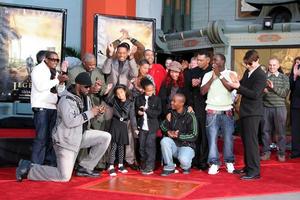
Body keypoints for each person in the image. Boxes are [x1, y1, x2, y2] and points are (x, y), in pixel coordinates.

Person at [16, 72, 111, 182]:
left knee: (106, 137)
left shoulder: (86, 98)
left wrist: (97, 113)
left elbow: (85, 119)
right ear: (78, 85)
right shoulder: (66, 100)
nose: (88, 89)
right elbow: (70, 122)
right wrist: (90, 113)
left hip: (80, 136)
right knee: (64, 177)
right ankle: (29, 169)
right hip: (66, 141)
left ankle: (85, 167)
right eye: (86, 87)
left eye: (90, 87)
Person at [228, 49, 267, 180]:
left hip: (253, 112)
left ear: (257, 60)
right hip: (245, 111)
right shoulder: (248, 72)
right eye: (246, 64)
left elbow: (255, 94)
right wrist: (236, 82)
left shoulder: (261, 75)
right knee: (246, 141)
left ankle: (255, 171)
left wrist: (238, 86)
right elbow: (242, 85)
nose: (248, 66)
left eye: (250, 63)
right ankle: (248, 167)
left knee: (252, 142)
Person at [102, 42, 139, 170]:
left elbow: (135, 73)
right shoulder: (112, 61)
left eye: (124, 53)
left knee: (127, 130)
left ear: (128, 53)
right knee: (108, 129)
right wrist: (109, 55)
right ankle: (108, 160)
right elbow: (105, 70)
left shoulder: (130, 62)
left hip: (125, 99)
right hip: (111, 99)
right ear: (117, 52)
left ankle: (129, 159)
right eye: (119, 52)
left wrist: (132, 57)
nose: (121, 55)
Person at [30, 51, 68, 166]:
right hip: (42, 107)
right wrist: (57, 80)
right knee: (41, 138)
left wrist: (61, 82)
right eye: (52, 59)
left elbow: (60, 91)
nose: (55, 62)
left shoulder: (55, 72)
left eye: (57, 60)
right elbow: (41, 87)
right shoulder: (38, 70)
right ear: (45, 59)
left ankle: (48, 164)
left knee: (51, 138)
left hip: (52, 107)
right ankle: (36, 165)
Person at [200, 54, 236, 175]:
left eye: (216, 60)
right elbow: (202, 91)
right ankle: (214, 163)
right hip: (212, 112)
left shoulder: (231, 74)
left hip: (227, 111)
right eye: (213, 59)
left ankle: (229, 162)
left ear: (223, 61)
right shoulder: (207, 75)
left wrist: (219, 75)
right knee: (212, 139)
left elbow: (230, 89)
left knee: (228, 139)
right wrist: (212, 78)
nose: (213, 62)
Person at [185, 51, 212, 170]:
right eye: (198, 60)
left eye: (201, 60)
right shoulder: (192, 72)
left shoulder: (213, 71)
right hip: (195, 107)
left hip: (208, 107)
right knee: (195, 135)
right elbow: (186, 90)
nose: (199, 62)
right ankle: (194, 160)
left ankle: (204, 161)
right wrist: (190, 104)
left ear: (208, 60)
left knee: (206, 136)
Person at [160, 93, 198, 176]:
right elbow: (162, 126)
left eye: (174, 101)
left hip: (186, 146)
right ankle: (169, 167)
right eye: (172, 101)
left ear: (181, 103)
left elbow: (194, 135)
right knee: (165, 140)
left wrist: (179, 135)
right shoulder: (171, 114)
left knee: (183, 160)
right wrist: (168, 132)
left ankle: (186, 166)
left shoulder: (190, 116)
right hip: (174, 146)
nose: (171, 103)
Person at [68, 53, 108, 130]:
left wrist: (99, 89)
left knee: (98, 134)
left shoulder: (99, 72)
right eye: (90, 65)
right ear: (84, 63)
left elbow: (104, 88)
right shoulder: (73, 72)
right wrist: (90, 90)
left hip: (96, 106)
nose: (93, 67)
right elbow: (72, 90)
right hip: (81, 107)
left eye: (94, 64)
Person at [261, 58, 290, 162]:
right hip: (265, 107)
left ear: (278, 66)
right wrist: (263, 92)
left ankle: (281, 153)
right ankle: (266, 152)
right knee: (265, 131)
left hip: (280, 108)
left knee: (281, 132)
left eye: (274, 65)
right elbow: (259, 94)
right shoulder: (263, 77)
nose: (272, 67)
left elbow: (284, 94)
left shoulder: (284, 78)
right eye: (270, 65)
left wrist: (272, 87)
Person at [107, 85, 137, 176]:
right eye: (118, 93)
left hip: (124, 124)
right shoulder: (114, 101)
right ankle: (111, 165)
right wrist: (108, 90)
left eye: (121, 92)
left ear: (125, 91)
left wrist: (135, 128)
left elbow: (132, 116)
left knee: (121, 145)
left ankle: (120, 165)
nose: (120, 95)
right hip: (115, 123)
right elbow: (107, 100)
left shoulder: (130, 102)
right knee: (114, 145)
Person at [135, 78, 162, 175]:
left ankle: (150, 167)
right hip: (142, 127)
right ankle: (143, 164)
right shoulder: (139, 98)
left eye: (152, 90)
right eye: (148, 90)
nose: (151, 92)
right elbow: (135, 111)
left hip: (152, 127)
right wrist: (138, 112)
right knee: (141, 146)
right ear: (143, 90)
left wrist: (146, 110)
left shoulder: (157, 99)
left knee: (150, 146)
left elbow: (158, 113)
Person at [290, 57, 300, 159]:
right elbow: (291, 87)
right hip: (295, 104)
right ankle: (296, 151)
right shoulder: (293, 72)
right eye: (296, 63)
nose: (298, 65)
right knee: (295, 129)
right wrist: (294, 76)